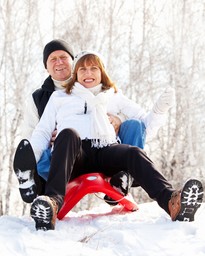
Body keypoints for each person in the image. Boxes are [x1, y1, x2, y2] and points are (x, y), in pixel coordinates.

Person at [13, 50, 204, 231]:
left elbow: (145, 125)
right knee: (68, 134)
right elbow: (42, 132)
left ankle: (172, 201)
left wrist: (159, 111)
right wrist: (31, 158)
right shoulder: (60, 97)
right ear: (76, 73)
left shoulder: (112, 95)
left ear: (101, 72)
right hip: (75, 155)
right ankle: (52, 203)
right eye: (83, 69)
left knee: (133, 152)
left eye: (93, 68)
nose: (88, 73)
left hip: (105, 150)